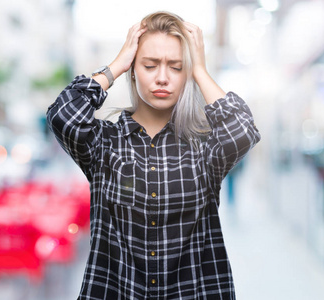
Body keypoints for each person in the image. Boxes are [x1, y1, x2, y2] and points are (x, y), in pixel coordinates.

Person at [47, 11, 260, 300]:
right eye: (150, 65)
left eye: (176, 67)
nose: (162, 78)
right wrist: (116, 65)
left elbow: (243, 129)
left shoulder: (205, 148)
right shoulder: (104, 143)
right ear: (134, 69)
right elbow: (63, 116)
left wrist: (199, 70)